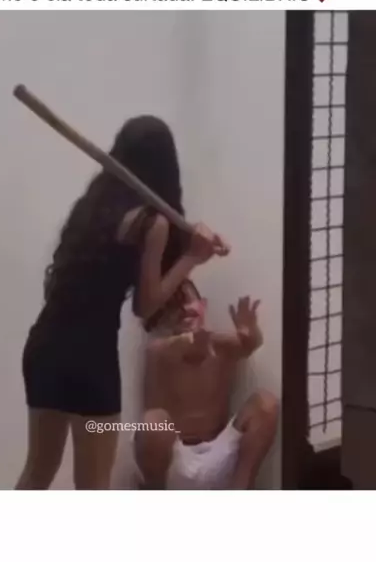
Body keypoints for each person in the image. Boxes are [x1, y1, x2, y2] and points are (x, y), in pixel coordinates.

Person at [16, 116, 229, 490]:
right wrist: (193, 258)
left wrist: (190, 243)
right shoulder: (151, 223)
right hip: (90, 360)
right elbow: (146, 306)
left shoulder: (91, 208)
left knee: (38, 470)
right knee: (94, 486)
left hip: (44, 349)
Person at [133, 280, 278, 489]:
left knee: (266, 404)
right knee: (152, 423)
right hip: (175, 462)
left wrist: (251, 331)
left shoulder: (220, 344)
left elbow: (249, 345)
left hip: (219, 455)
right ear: (165, 318)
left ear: (203, 305)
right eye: (173, 307)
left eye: (188, 301)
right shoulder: (158, 350)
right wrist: (189, 341)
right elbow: (173, 348)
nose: (183, 310)